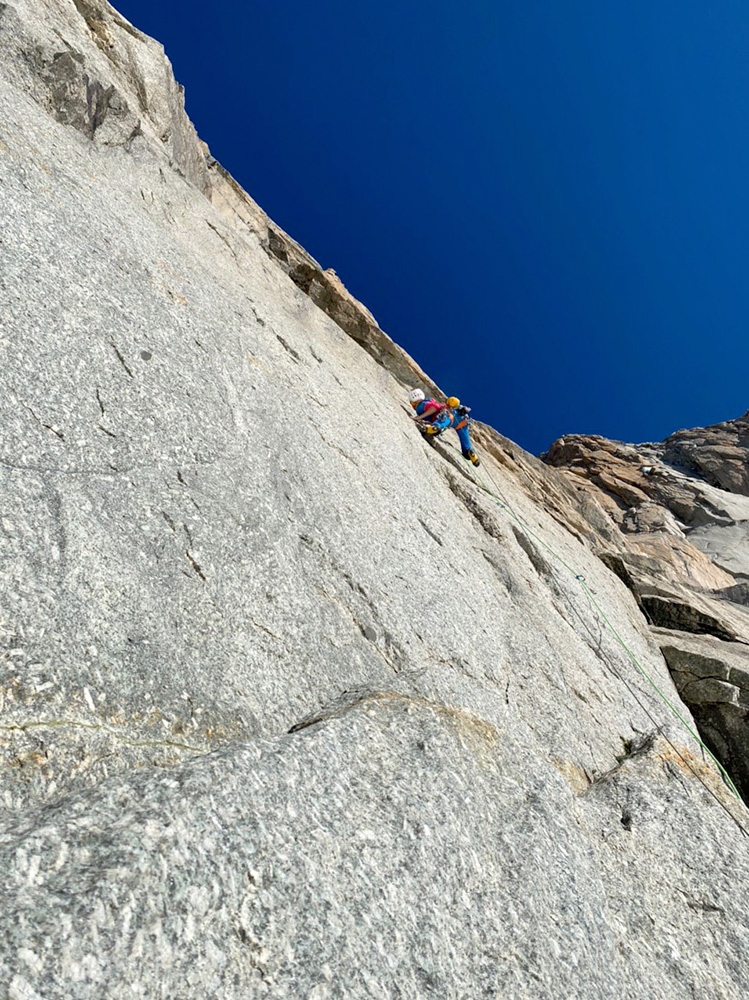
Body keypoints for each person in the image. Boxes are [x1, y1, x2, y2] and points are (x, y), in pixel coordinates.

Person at [408, 389, 480, 466]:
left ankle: (435, 427)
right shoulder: (426, 403)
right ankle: (469, 451)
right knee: (463, 432)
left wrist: (418, 418)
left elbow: (434, 408)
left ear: (413, 401)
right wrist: (424, 421)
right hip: (460, 418)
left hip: (448, 415)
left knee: (443, 421)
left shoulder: (422, 405)